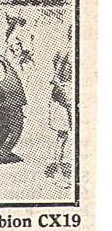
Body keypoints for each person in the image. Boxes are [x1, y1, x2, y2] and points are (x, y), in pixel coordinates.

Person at [46, 26, 73, 189]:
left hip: (74, 95)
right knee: (62, 136)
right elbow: (55, 79)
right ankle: (58, 174)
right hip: (62, 97)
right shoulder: (63, 51)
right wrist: (68, 99)